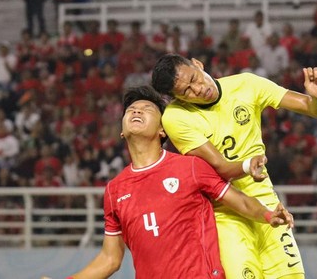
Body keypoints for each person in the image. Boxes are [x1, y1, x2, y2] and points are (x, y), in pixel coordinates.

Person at [68, 86, 294, 278]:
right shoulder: (114, 190)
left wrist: (268, 214)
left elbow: (240, 202)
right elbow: (110, 259)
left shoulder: (191, 167)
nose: (137, 110)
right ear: (121, 131)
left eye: (147, 109)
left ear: (162, 130)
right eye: (131, 110)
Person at [152, 54, 317, 279]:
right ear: (176, 98)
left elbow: (311, 108)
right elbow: (220, 168)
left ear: (198, 64)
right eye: (186, 91)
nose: (197, 89)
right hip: (226, 215)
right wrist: (247, 165)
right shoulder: (176, 117)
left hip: (268, 205)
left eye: (195, 78)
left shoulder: (247, 84)